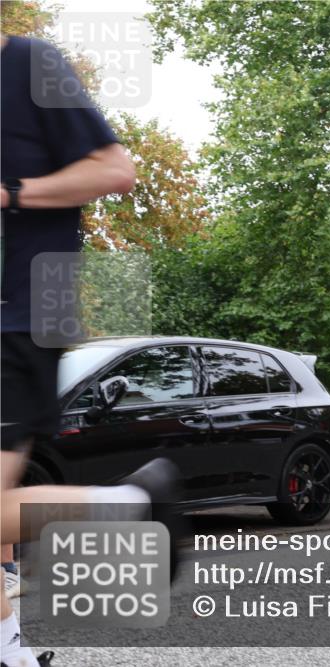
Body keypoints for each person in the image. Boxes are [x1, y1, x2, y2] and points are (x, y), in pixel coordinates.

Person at [2, 34, 181, 667]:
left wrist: (11, 191)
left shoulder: (28, 63)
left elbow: (115, 169)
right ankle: (11, 648)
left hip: (21, 313)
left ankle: (135, 504)